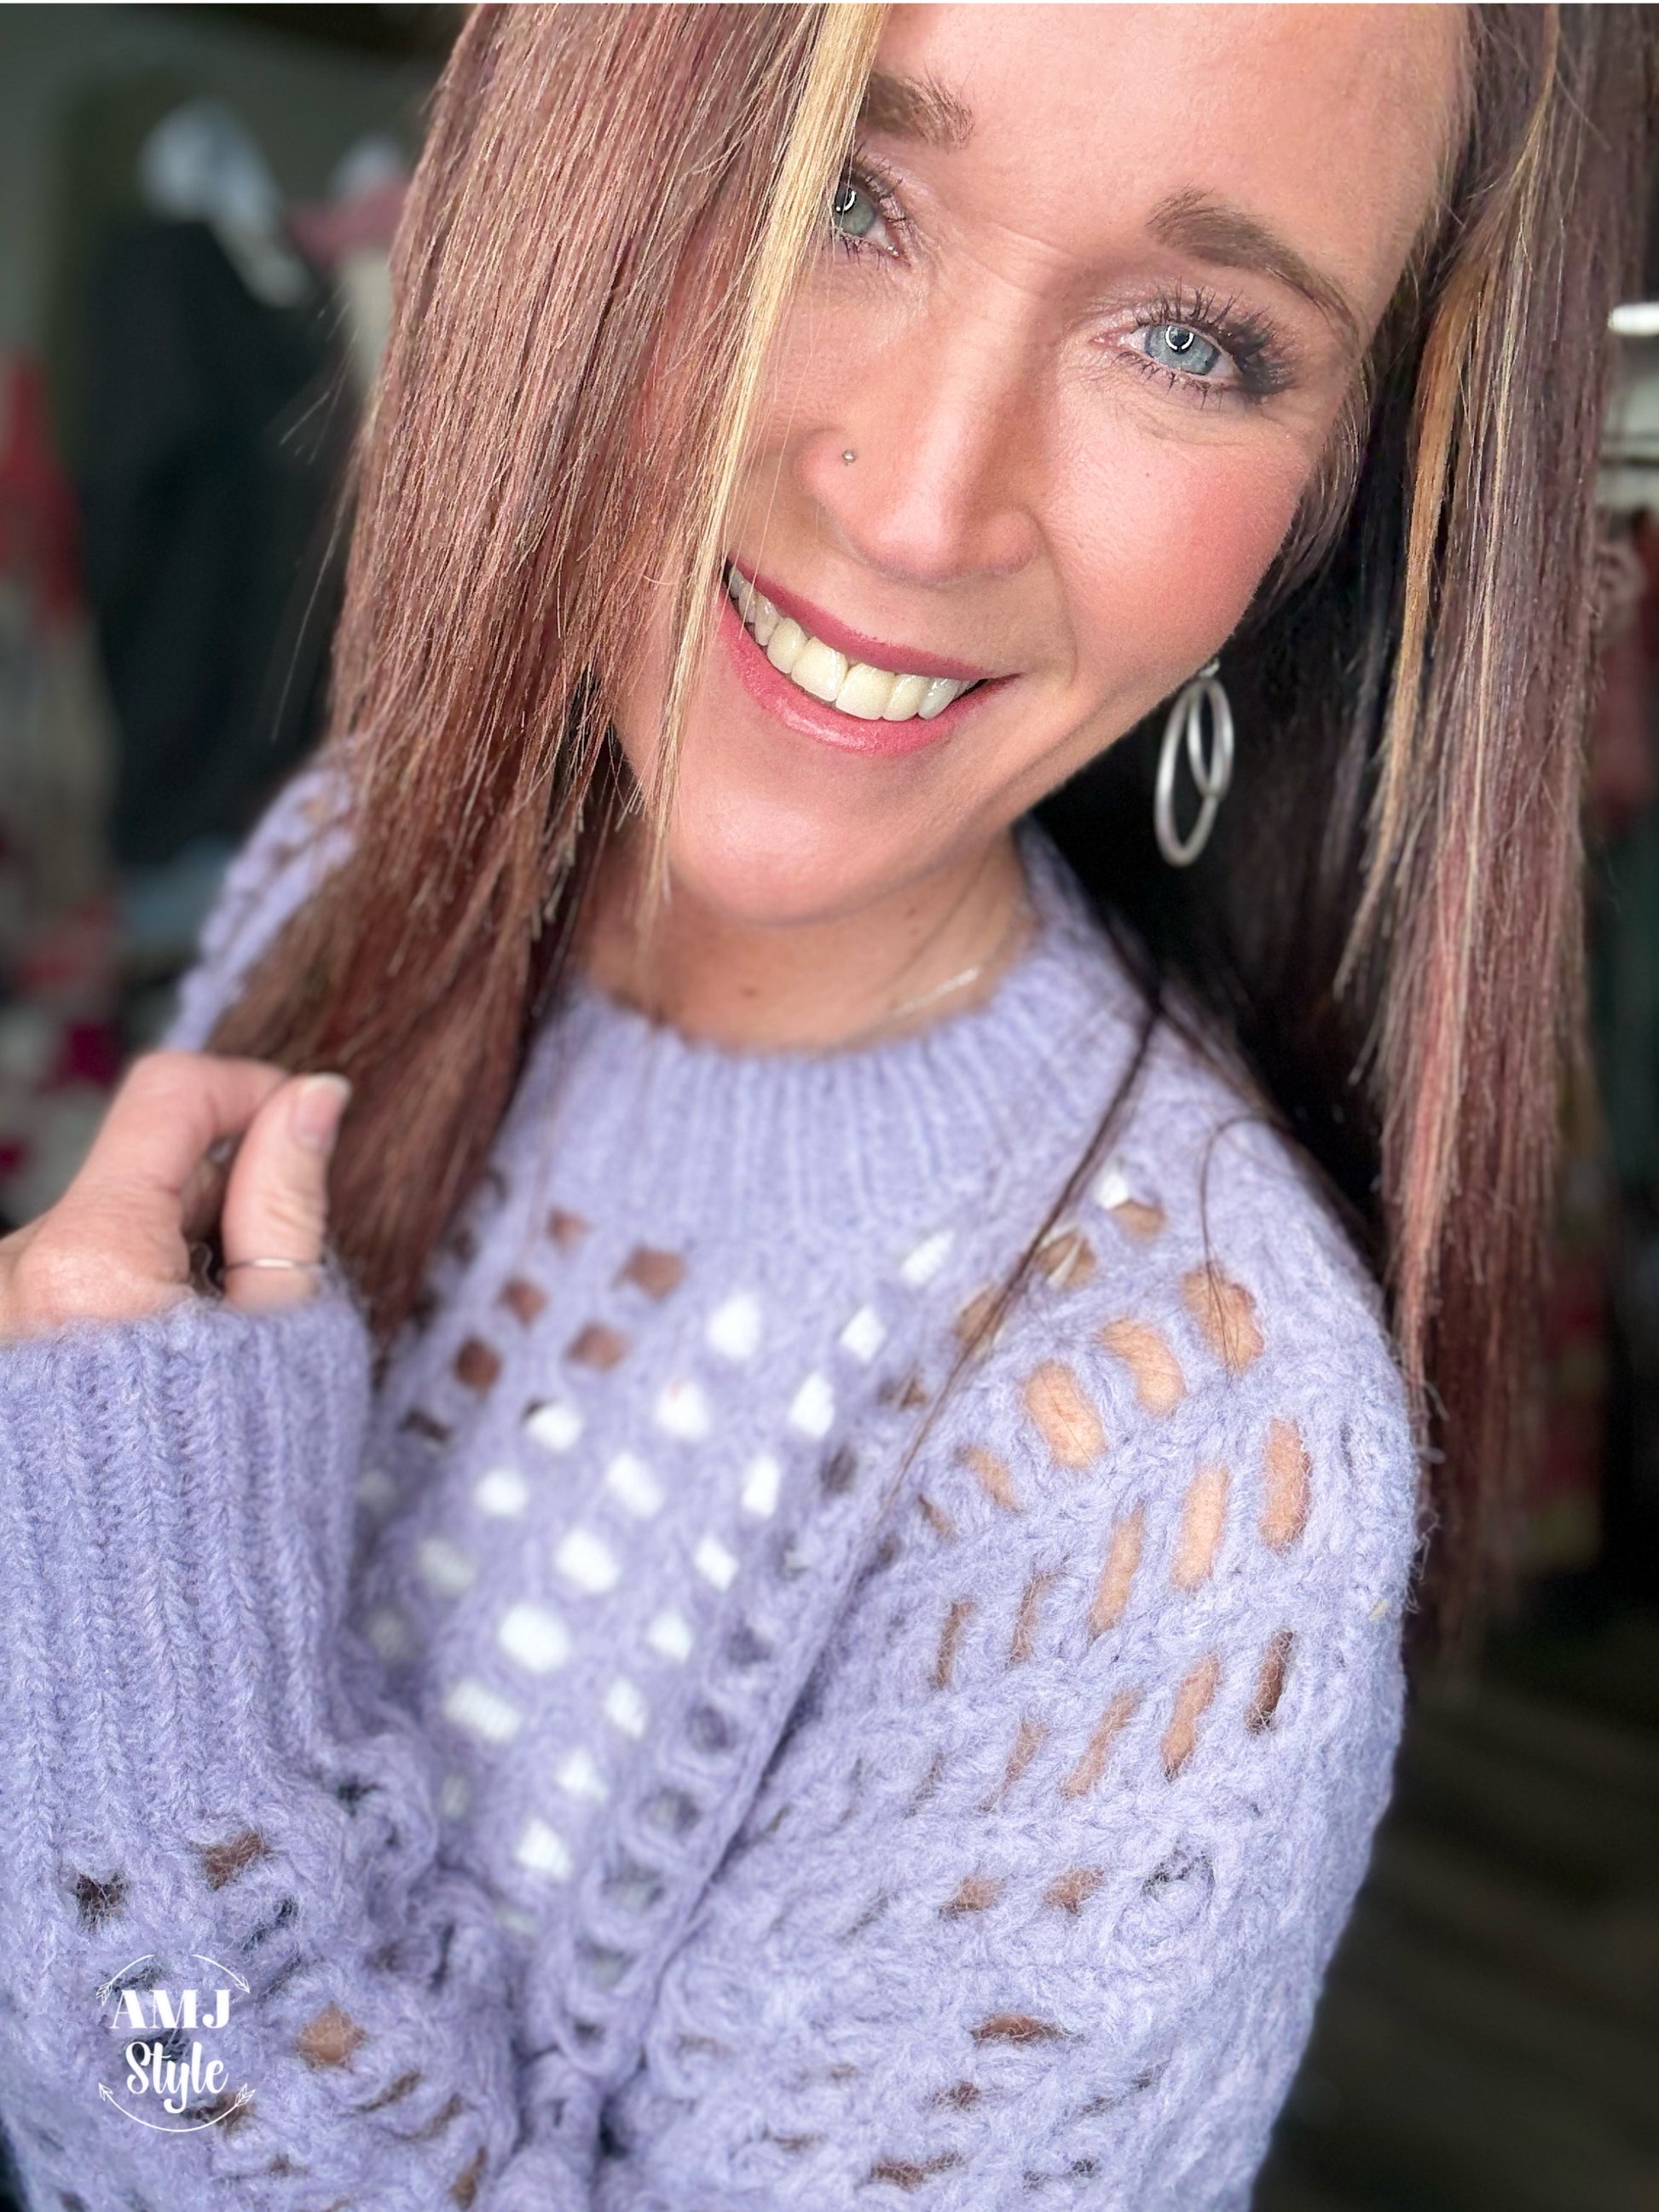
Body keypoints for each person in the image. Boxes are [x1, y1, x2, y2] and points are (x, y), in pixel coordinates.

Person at [0, 7, 1648, 2206]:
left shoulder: (1170, 1446)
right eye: (841, 196)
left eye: (1191, 339)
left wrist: (143, 1769)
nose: (920, 498)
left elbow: (119, 1936)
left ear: (1332, 485)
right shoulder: (353, 862)